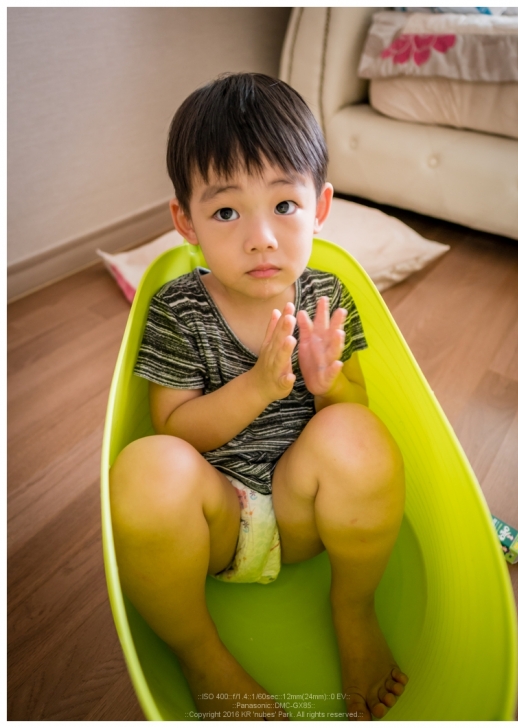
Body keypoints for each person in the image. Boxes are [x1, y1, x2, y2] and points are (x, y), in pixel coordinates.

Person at [110, 72, 407, 721]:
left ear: (320, 207)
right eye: (226, 212)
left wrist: (328, 386)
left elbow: (355, 419)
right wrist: (257, 388)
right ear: (185, 222)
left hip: (306, 517)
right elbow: (175, 430)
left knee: (357, 434)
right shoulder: (177, 309)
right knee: (144, 467)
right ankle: (201, 653)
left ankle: (353, 608)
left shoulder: (325, 295)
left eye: (284, 205)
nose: (261, 237)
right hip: (217, 524)